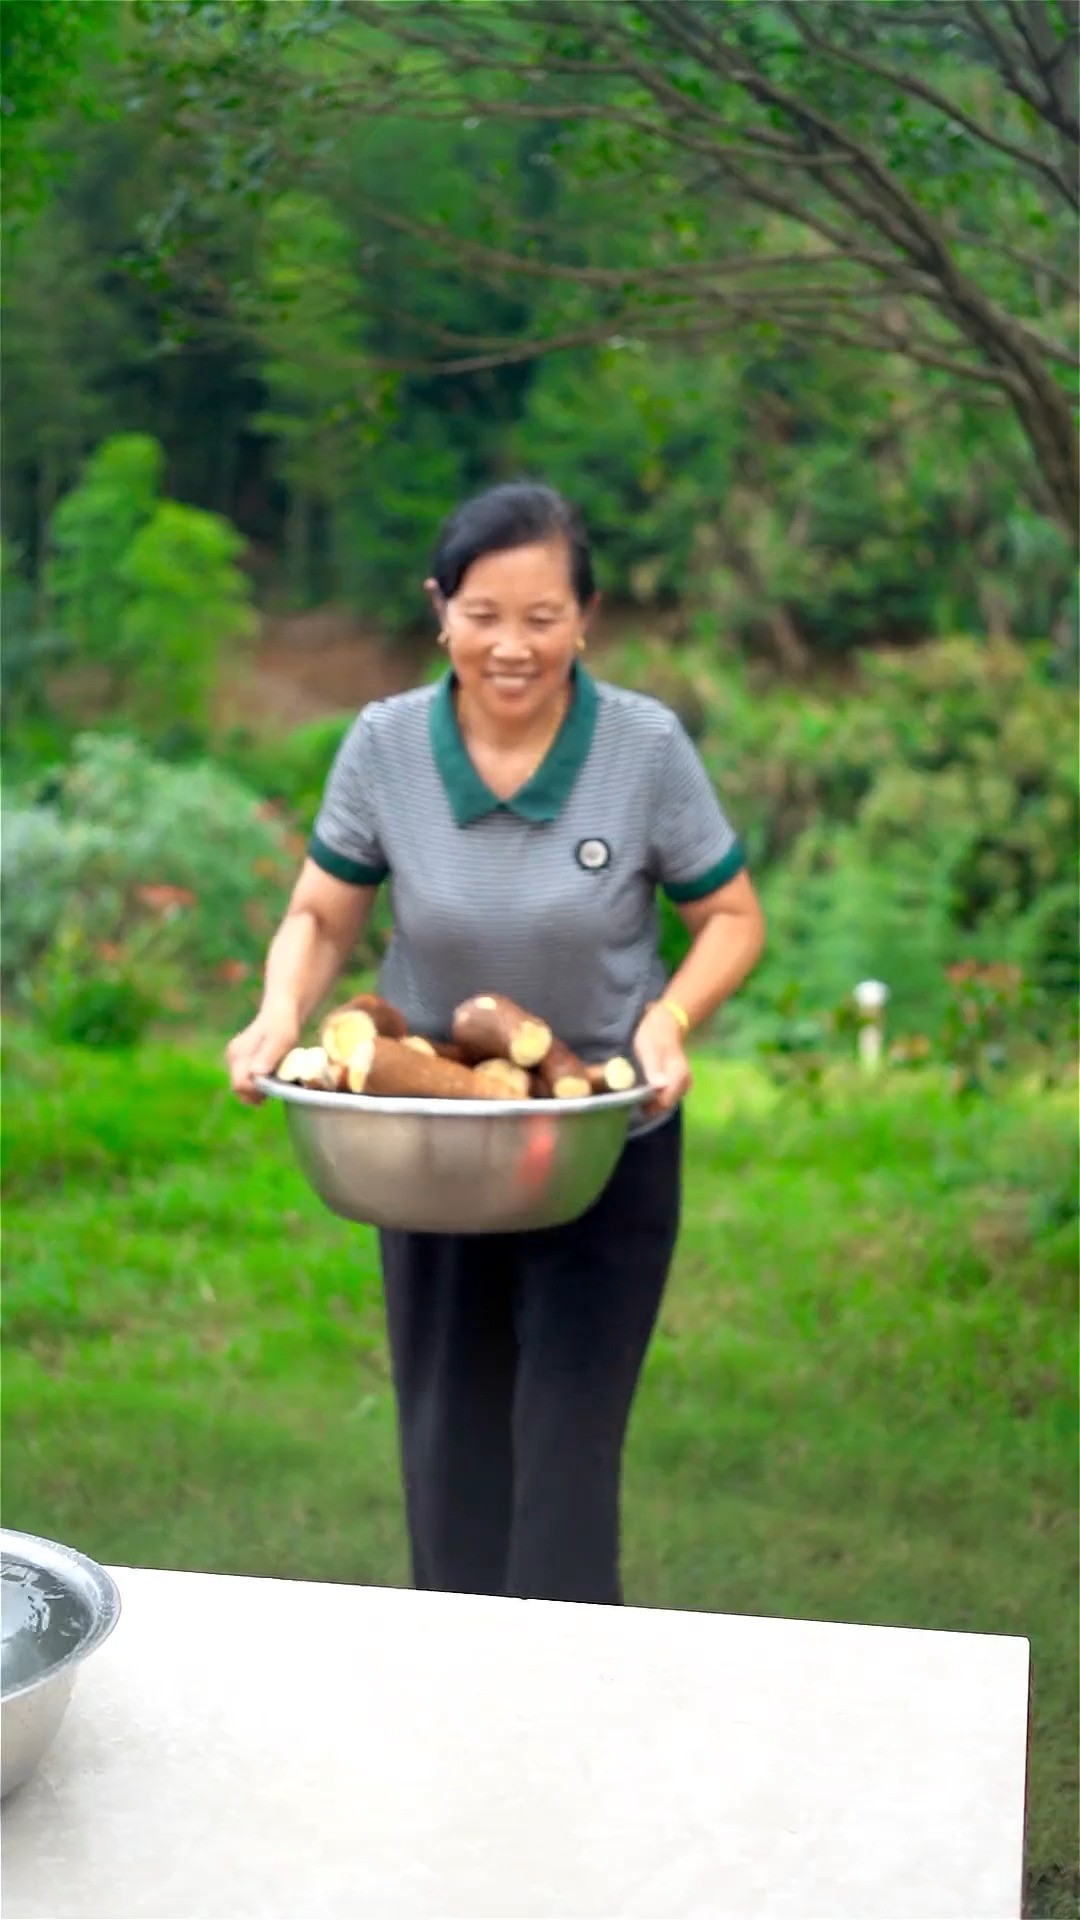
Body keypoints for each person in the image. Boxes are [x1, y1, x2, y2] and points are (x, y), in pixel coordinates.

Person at [226, 482, 765, 1607]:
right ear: (440, 610)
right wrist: (280, 1014)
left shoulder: (643, 747)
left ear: (586, 617)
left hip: (602, 1137)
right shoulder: (383, 748)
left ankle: (567, 1732)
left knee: (568, 1456)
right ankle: (455, 1717)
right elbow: (322, 915)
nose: (511, 646)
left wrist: (667, 1018)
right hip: (435, 1142)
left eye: (540, 617)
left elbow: (732, 917)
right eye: (482, 614)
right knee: (448, 1448)